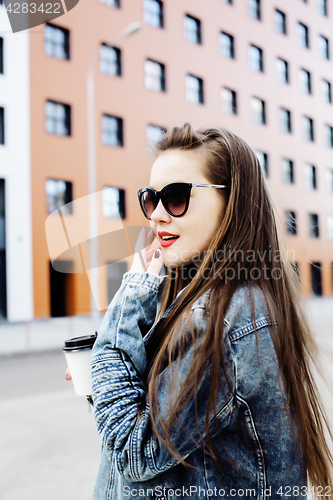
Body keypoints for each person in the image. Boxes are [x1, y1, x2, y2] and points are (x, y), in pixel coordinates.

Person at [89, 123, 333, 500]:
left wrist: (112, 342)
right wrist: (108, 378)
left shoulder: (228, 316)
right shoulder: (205, 300)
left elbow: (134, 451)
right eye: (150, 199)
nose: (156, 216)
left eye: (175, 197)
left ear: (230, 200)